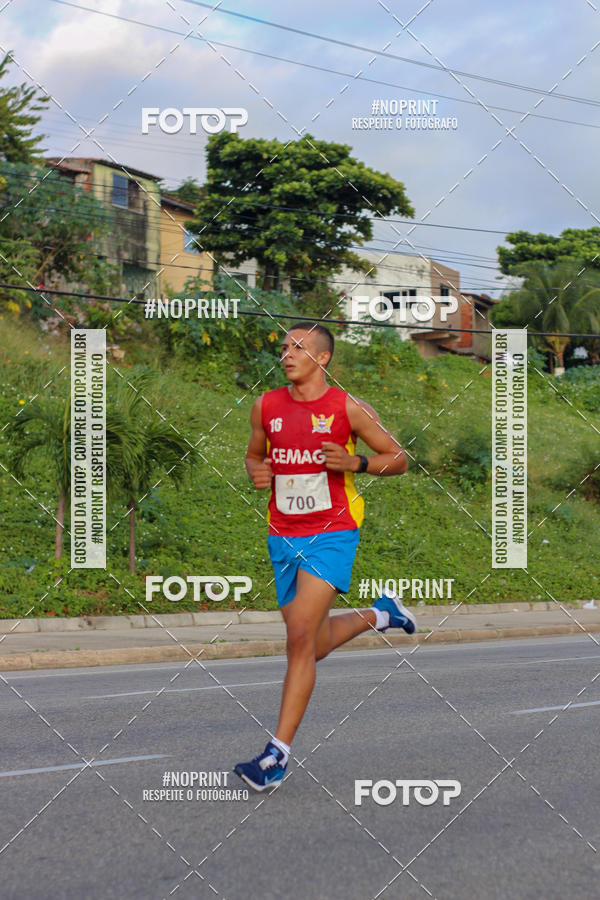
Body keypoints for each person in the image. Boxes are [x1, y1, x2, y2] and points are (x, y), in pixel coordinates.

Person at [233, 322, 416, 792]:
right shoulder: (265, 406)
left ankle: (277, 755)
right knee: (310, 645)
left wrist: (356, 463)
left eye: (297, 348)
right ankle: (381, 614)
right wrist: (258, 472)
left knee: (297, 639)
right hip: (282, 535)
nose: (286, 355)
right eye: (284, 348)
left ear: (322, 358)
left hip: (333, 532)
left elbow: (398, 458)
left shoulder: (347, 408)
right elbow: (255, 456)